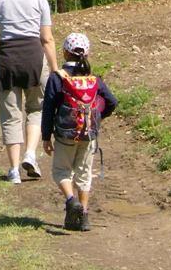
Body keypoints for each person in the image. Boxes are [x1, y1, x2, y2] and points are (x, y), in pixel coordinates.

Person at [0, 0, 58, 184]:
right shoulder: (40, 0)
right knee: (36, 108)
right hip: (34, 58)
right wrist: (54, 69)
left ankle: (14, 169)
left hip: (7, 59)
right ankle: (31, 155)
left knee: (10, 115)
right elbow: (46, 38)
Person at [42, 33, 117, 231]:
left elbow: (48, 109)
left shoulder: (58, 78)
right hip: (88, 134)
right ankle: (83, 217)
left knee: (61, 172)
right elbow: (112, 102)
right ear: (87, 53)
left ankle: (70, 200)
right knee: (84, 175)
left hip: (65, 135)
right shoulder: (94, 80)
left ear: (65, 52)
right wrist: (97, 117)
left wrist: (45, 136)